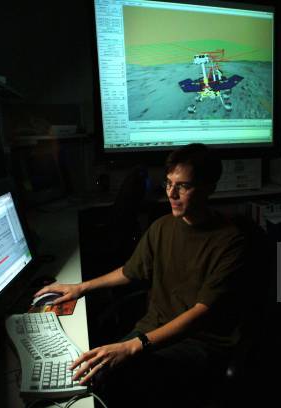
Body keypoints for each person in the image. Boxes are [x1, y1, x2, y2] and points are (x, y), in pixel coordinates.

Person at [34, 143, 247, 406]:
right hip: (151, 329)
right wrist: (81, 287)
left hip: (199, 342)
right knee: (89, 372)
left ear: (209, 188)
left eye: (184, 186)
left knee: (113, 381)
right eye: (168, 183)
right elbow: (129, 272)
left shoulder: (231, 241)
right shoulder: (162, 227)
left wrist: (135, 345)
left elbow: (200, 314)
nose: (172, 193)